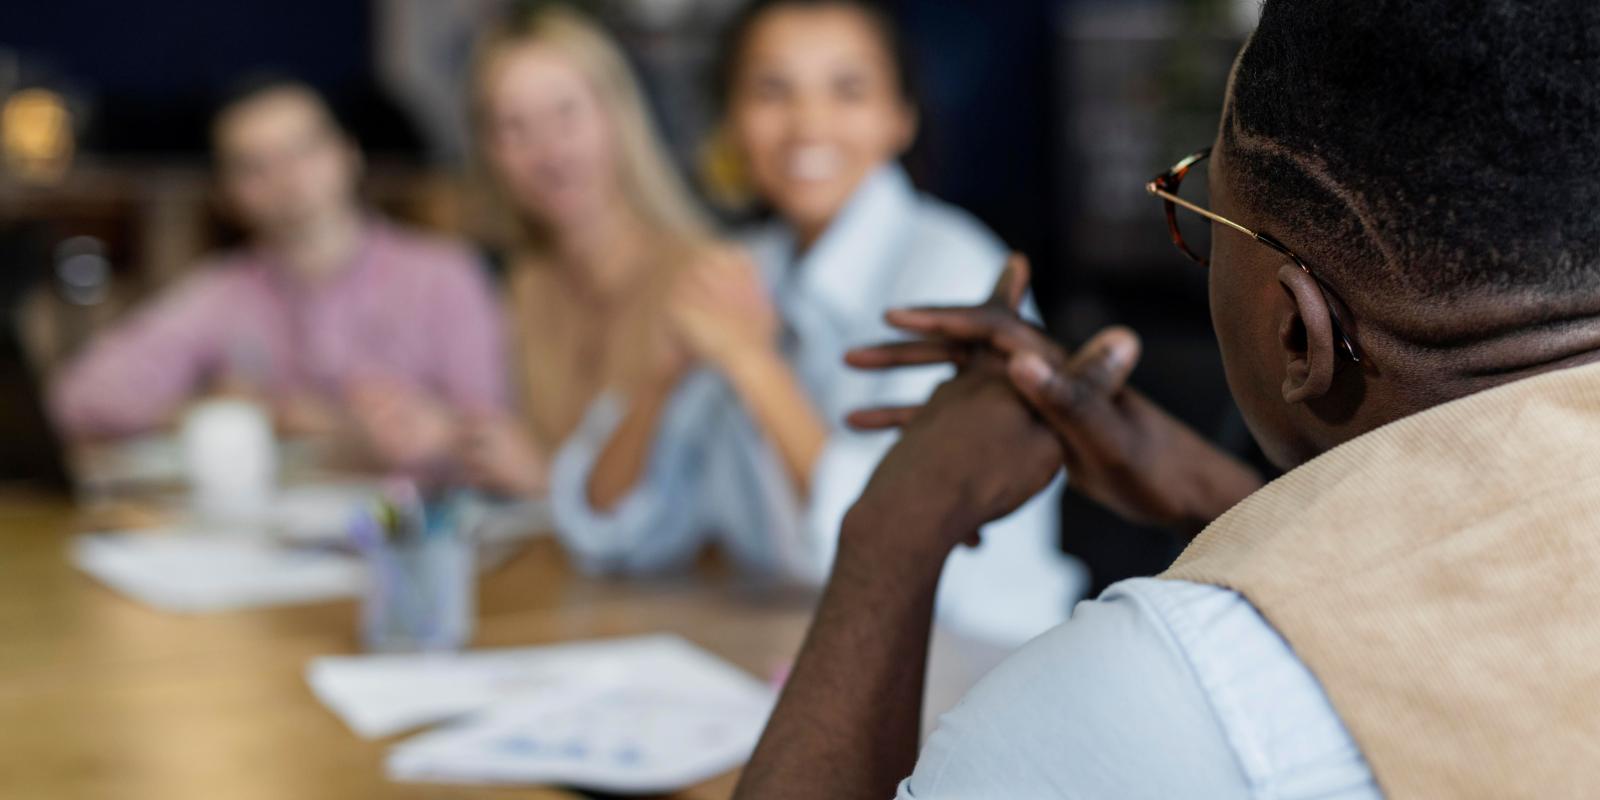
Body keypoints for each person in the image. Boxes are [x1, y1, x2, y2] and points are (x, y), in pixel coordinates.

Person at [735, 0, 1600, 797]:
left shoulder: (1145, 697)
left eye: (1202, 216)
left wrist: (893, 531)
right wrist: (1216, 497)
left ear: (1296, 334)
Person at [547, 0, 1083, 645]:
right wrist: (664, 375)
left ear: (901, 117)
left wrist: (752, 362)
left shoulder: (960, 276)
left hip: (969, 654)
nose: (808, 123)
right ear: (733, 121)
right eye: (773, 90)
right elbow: (611, 528)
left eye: (847, 90)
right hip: (797, 647)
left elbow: (889, 541)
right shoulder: (748, 270)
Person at [51, 79, 506, 473]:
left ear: (348, 154)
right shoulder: (223, 291)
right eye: (254, 166)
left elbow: (493, 432)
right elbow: (78, 398)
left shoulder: (443, 275)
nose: (286, 180)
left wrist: (414, 430)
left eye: (301, 150)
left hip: (423, 534)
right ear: (227, 195)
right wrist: (240, 413)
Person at [455, 5, 728, 498]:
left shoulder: (706, 277)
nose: (549, 153)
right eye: (514, 127)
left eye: (566, 113)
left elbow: (702, 498)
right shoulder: (522, 289)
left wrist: (547, 483)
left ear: (616, 116)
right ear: (490, 152)